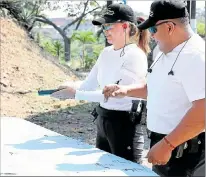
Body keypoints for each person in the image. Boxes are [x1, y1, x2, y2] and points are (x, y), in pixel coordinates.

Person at [103, 0, 205, 176]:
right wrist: (126, 90)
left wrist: (168, 145)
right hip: (165, 143)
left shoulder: (196, 56)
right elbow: (155, 86)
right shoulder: (162, 51)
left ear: (170, 27)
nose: (152, 36)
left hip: (186, 149)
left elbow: (202, 110)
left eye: (153, 29)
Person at [51, 3, 150, 163]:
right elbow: (89, 84)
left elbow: (113, 95)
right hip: (103, 120)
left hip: (125, 124)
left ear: (125, 26)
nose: (105, 31)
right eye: (104, 27)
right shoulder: (106, 52)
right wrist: (70, 86)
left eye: (109, 26)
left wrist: (75, 94)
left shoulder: (135, 55)